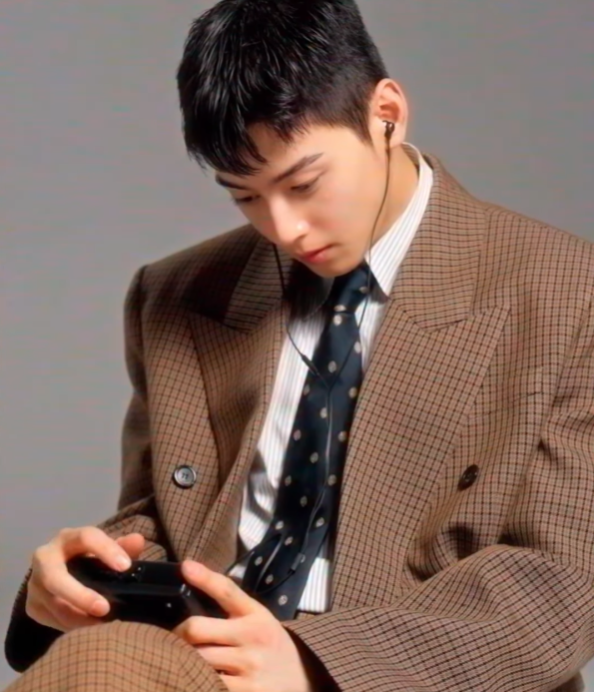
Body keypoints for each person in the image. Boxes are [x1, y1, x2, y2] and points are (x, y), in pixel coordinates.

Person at [4, 0, 594, 690]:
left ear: (386, 114)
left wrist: (314, 662)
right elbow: (165, 520)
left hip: (406, 672)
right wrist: (80, 579)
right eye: (245, 196)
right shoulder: (177, 293)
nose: (284, 228)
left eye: (303, 183)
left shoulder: (567, 293)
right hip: (200, 656)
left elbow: (559, 583)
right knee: (96, 665)